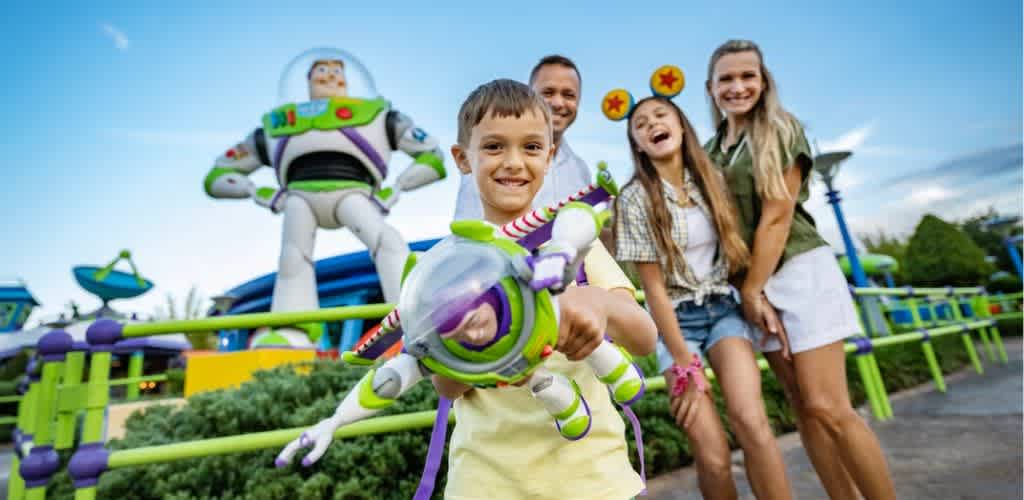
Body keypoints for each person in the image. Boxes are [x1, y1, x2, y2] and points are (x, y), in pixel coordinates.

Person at [436, 78, 657, 500]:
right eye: (494, 146)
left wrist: (600, 303)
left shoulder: (575, 240)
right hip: (486, 485)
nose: (514, 162)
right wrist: (472, 343)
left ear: (550, 156)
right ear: (463, 158)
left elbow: (645, 338)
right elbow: (446, 389)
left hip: (597, 479)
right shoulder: (450, 267)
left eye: (532, 147)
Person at [704, 39, 896, 500]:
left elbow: (777, 215)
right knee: (803, 408)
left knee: (829, 407)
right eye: (726, 78)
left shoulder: (782, 129)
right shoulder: (712, 150)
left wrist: (753, 291)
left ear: (764, 81)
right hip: (753, 287)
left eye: (748, 76)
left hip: (797, 273)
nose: (738, 86)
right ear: (710, 88)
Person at [613, 96, 792, 500]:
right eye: (639, 124)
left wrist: (756, 295)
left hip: (722, 310)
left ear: (681, 125)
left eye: (661, 115)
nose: (651, 125)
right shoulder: (634, 198)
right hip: (675, 324)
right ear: (637, 143)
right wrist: (682, 362)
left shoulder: (712, 180)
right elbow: (654, 290)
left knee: (753, 425)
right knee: (711, 455)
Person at [453, 55, 591, 219]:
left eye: (569, 95)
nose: (558, 103)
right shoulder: (480, 155)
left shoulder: (581, 171)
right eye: (548, 92)